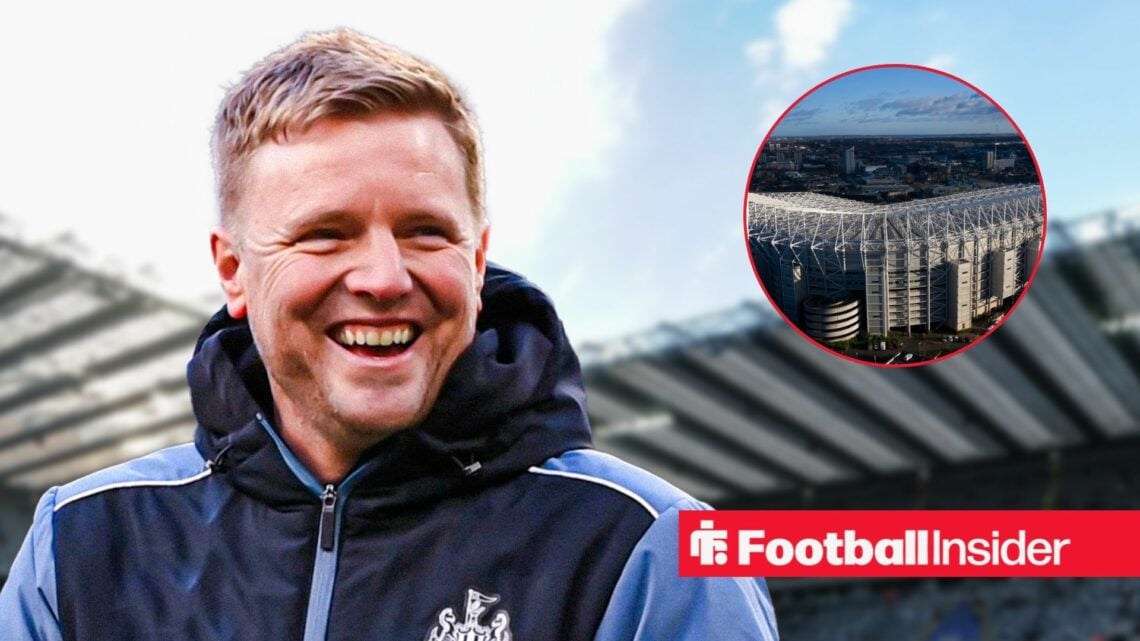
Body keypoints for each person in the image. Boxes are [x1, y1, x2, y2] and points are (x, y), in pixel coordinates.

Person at [0, 28, 778, 641]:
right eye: (326, 233)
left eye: (425, 231)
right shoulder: (80, 545)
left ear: (477, 259)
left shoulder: (650, 552)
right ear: (233, 268)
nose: (382, 276)